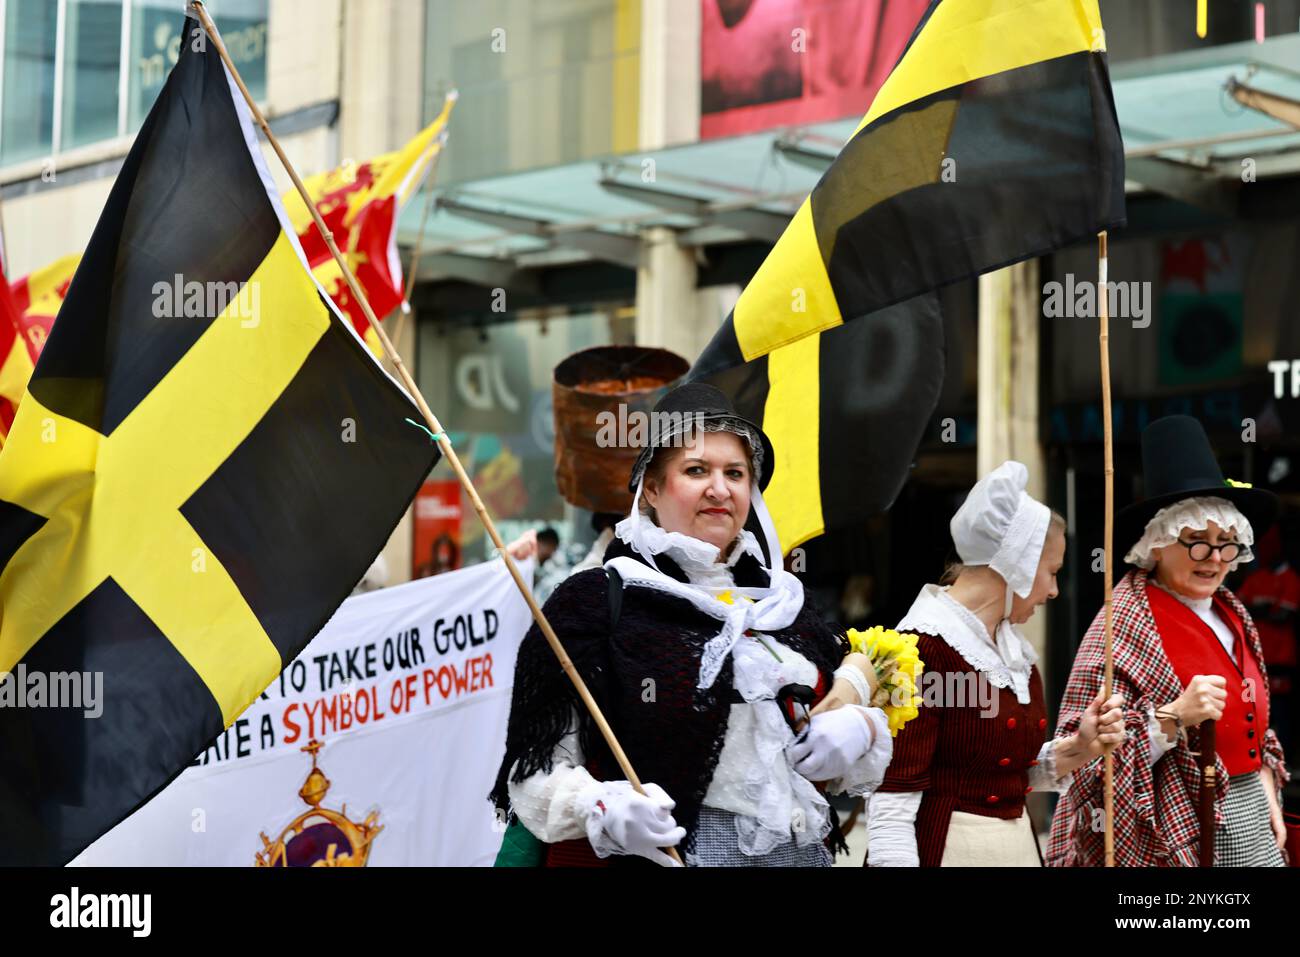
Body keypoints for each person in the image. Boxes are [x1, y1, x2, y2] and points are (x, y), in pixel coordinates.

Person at [490, 383, 892, 866]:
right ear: (653, 489)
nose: (719, 489)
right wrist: (603, 808)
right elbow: (534, 769)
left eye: (735, 473)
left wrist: (861, 728)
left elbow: (837, 747)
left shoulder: (787, 608)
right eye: (696, 470)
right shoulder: (595, 602)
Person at [1046, 415, 1289, 867]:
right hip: (1176, 828)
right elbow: (1084, 761)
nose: (1215, 558)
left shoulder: (1232, 612)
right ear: (1156, 545)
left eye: (1226, 542)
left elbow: (1258, 726)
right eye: (1197, 542)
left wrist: (1268, 795)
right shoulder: (1121, 624)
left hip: (1252, 815)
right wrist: (1174, 716)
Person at [868, 462, 1126, 867]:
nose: (1054, 591)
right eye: (1052, 572)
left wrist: (1079, 746)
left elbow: (1009, 774)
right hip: (949, 853)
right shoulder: (915, 651)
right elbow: (891, 803)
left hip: (1018, 849)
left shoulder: (1013, 654)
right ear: (1018, 565)